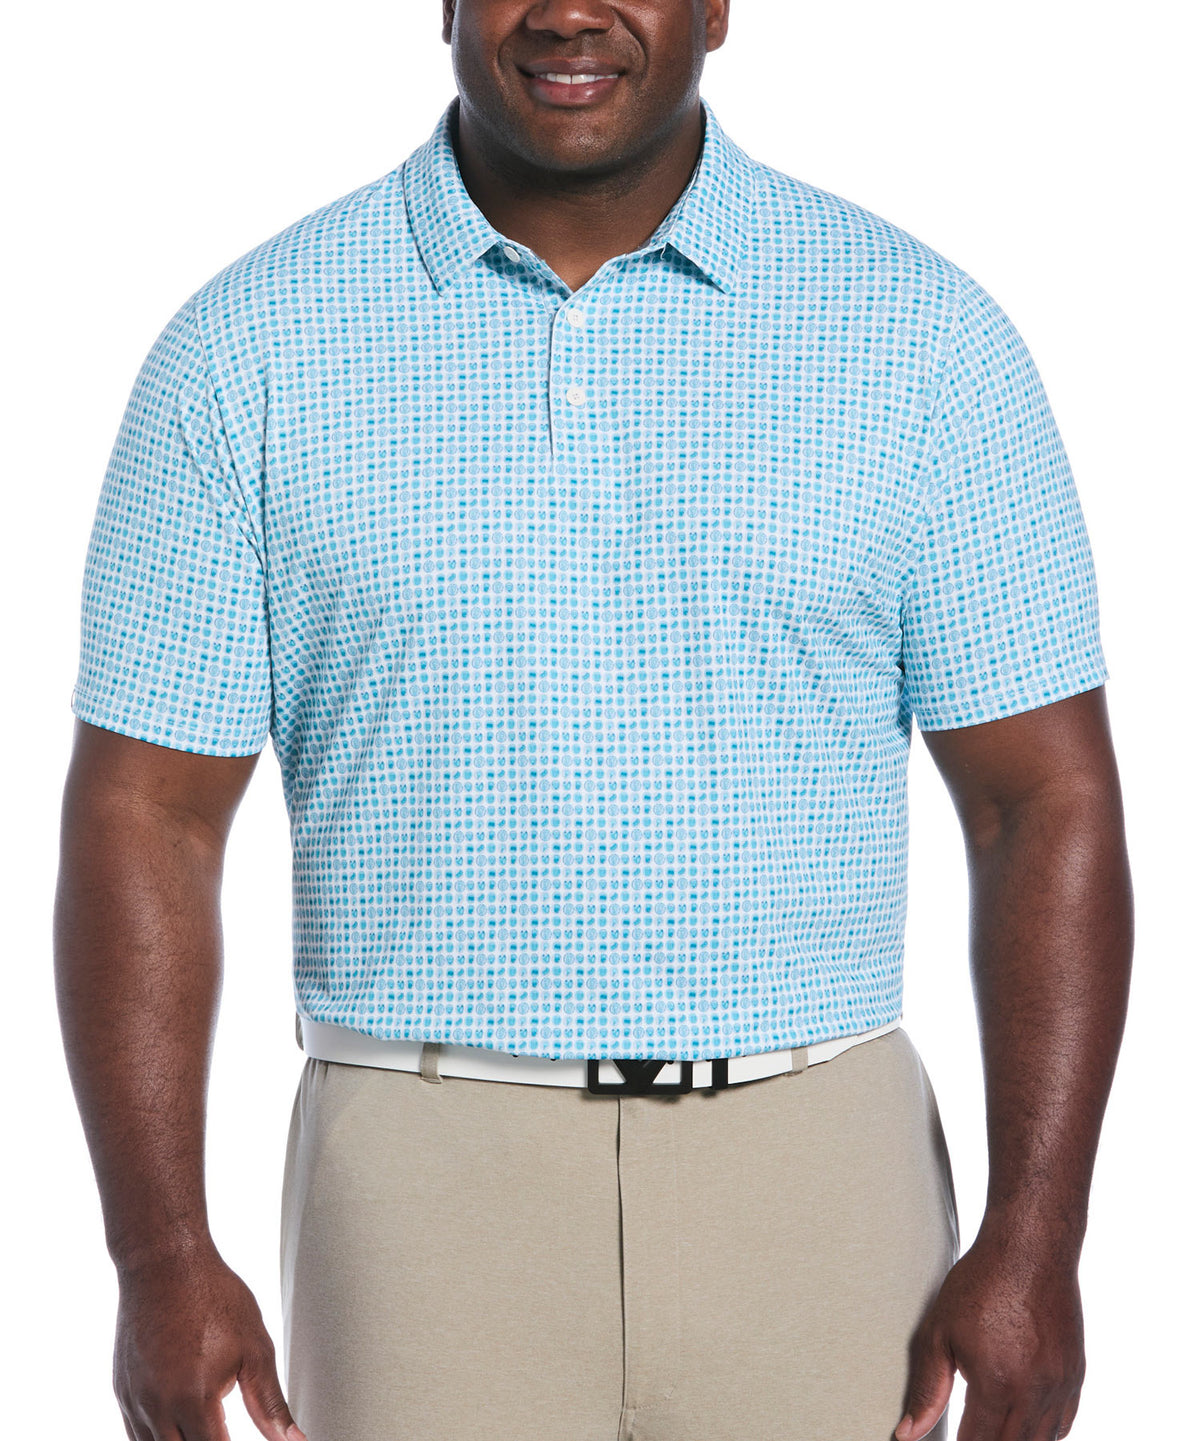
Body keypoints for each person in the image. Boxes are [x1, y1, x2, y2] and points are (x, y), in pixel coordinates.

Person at [54, 2, 1133, 1439]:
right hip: (415, 1187)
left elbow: (1038, 800)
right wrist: (157, 1256)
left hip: (816, 1167)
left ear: (717, 8)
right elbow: (149, 814)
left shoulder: (922, 337)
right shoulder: (247, 347)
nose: (570, 9)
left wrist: (1040, 1235)